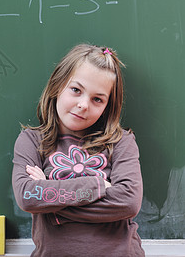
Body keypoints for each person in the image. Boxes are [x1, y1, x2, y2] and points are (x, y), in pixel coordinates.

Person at [12, 44, 144, 257]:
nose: (83, 104)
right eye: (76, 90)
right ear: (57, 85)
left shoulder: (121, 142)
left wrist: (51, 203)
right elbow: (28, 196)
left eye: (97, 99)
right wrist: (97, 186)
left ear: (106, 107)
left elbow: (128, 202)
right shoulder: (32, 141)